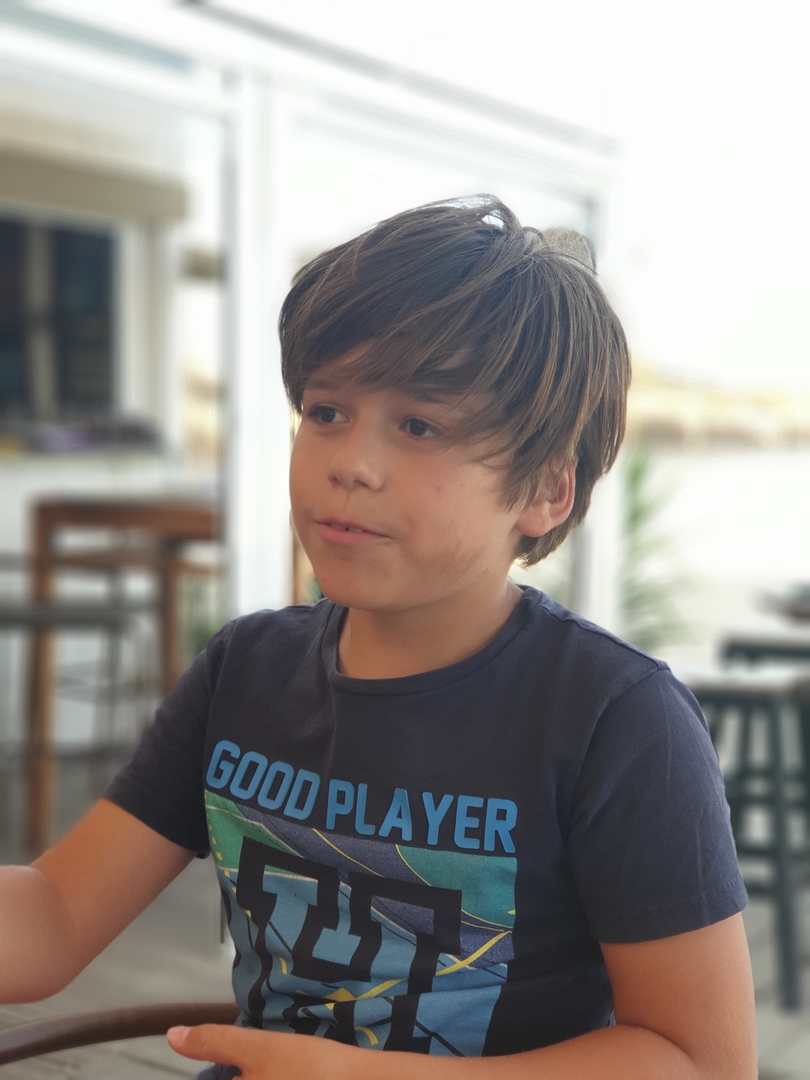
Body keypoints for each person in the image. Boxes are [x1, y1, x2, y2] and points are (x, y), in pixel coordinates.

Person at [0, 196, 756, 1080]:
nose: (350, 463)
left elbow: (703, 1059)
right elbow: (54, 916)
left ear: (546, 491)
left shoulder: (616, 720)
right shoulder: (245, 672)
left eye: (419, 425)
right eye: (325, 411)